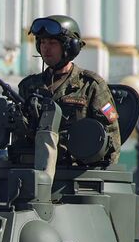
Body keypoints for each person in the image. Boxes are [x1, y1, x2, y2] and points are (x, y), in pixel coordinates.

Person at [16, 15, 120, 166]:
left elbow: (111, 133)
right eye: (43, 42)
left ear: (70, 46)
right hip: (34, 169)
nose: (46, 48)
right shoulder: (29, 86)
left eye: (52, 43)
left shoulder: (90, 85)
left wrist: (102, 172)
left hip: (75, 173)